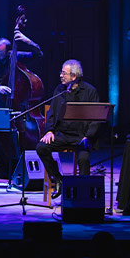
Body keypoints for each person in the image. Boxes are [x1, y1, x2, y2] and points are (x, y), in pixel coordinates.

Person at [0, 31, 43, 181]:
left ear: (8, 52)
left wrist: (28, 41)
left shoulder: (14, 56)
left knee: (23, 132)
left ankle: (22, 166)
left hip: (16, 105)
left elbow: (38, 55)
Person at [35, 59, 100, 198]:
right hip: (62, 134)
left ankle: (83, 194)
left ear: (74, 76)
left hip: (81, 137)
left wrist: (88, 136)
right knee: (41, 148)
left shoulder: (90, 91)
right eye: (61, 72)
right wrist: (49, 131)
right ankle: (58, 179)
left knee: (83, 159)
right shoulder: (59, 90)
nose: (61, 75)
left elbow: (96, 118)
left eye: (64, 73)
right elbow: (51, 112)